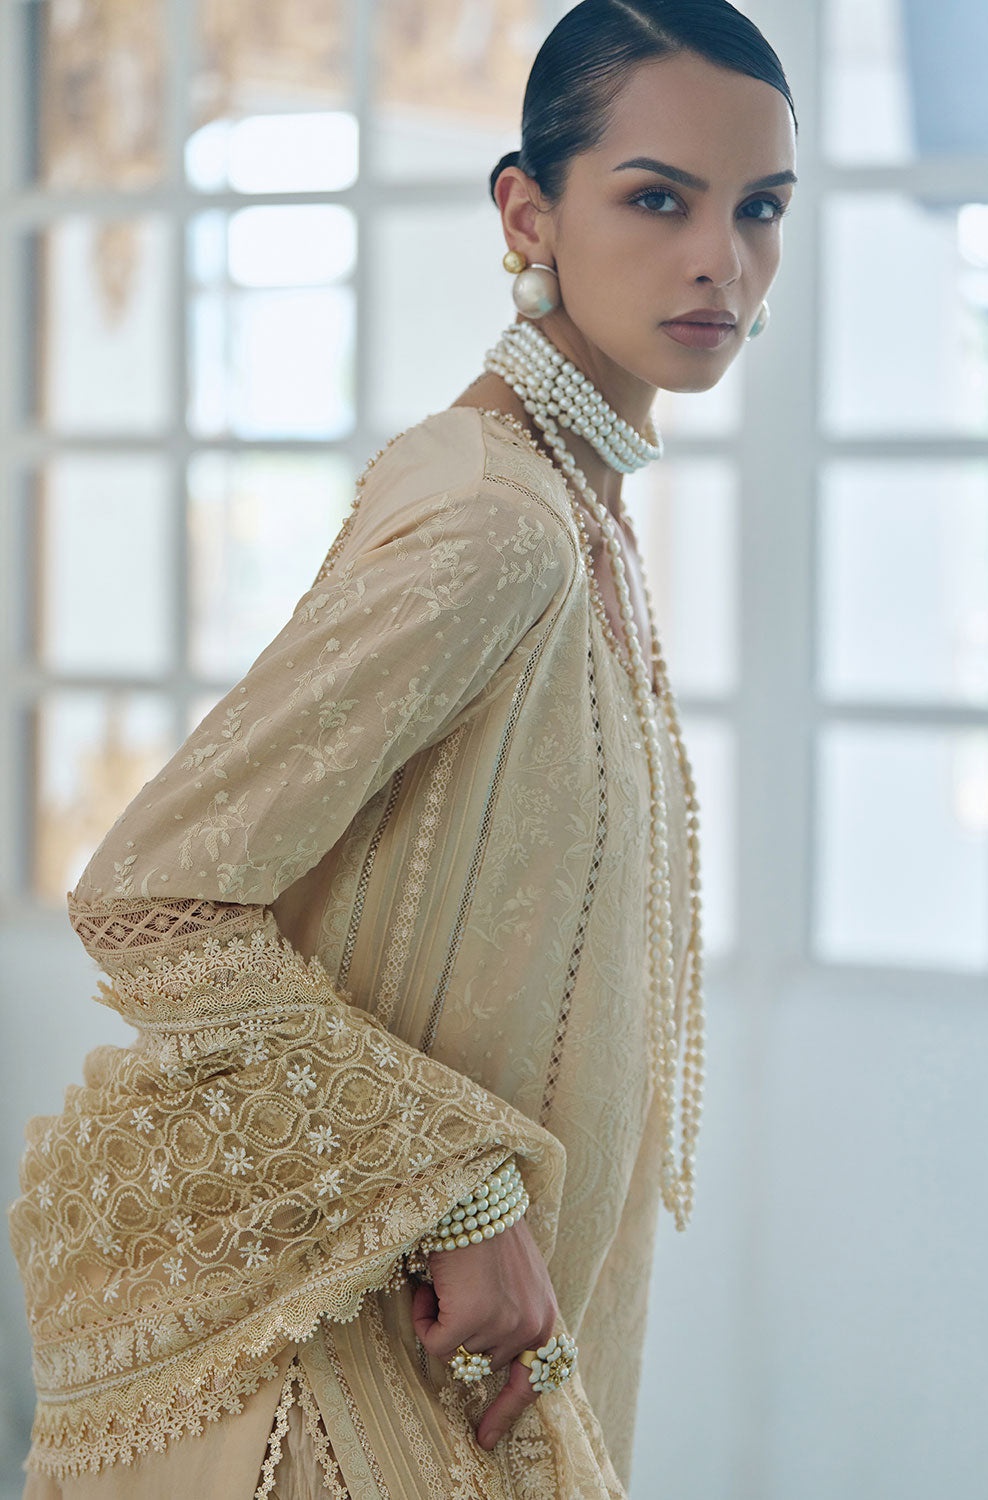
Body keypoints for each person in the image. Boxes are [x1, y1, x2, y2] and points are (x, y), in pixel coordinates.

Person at [8, 2, 797, 1495]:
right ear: (527, 214)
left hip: (461, 1364)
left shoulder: (579, 512)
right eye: (658, 200)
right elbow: (152, 893)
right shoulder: (501, 526)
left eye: (760, 208)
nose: (723, 259)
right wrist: (455, 1195)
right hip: (352, 1384)